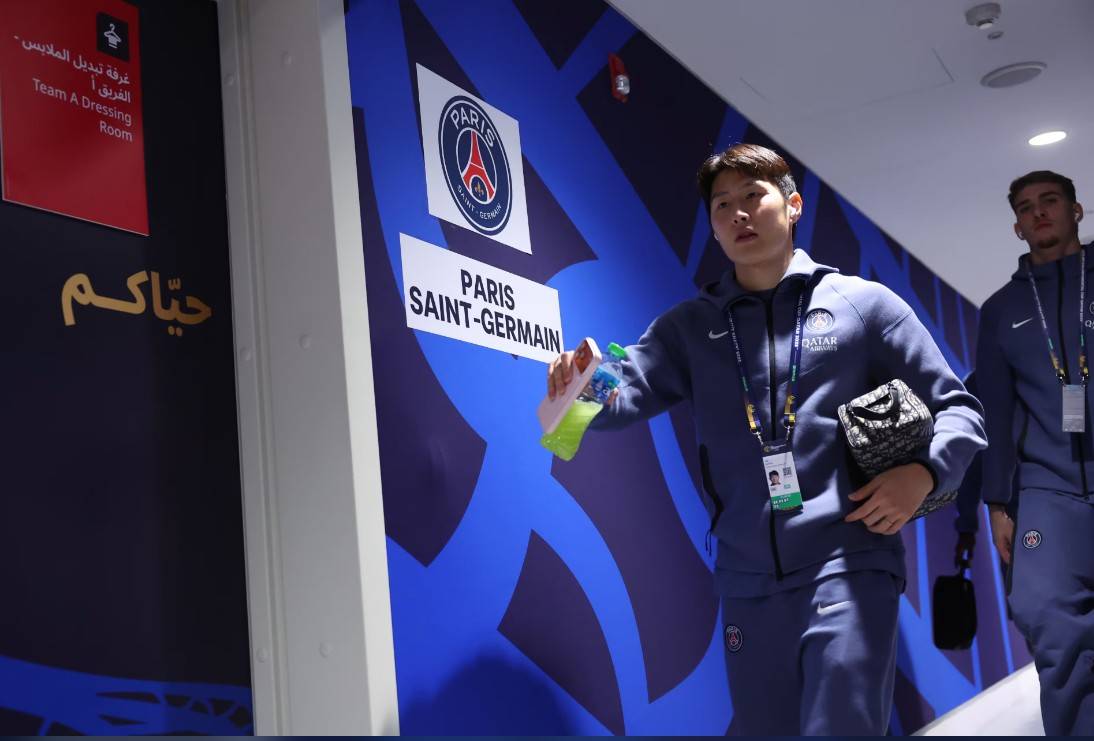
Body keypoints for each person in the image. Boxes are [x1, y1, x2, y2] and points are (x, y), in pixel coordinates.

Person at [546, 143, 985, 735]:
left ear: (793, 204)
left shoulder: (863, 306)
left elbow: (959, 409)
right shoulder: (690, 328)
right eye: (722, 205)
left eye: (753, 196)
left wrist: (924, 474)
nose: (738, 214)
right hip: (746, 583)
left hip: (847, 563)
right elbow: (620, 396)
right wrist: (577, 387)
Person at [976, 170, 1094, 735]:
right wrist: (998, 503)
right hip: (1048, 488)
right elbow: (995, 412)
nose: (1039, 212)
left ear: (1076, 210)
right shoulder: (1001, 309)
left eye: (1050, 201)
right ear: (1018, 227)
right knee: (1047, 618)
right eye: (1026, 207)